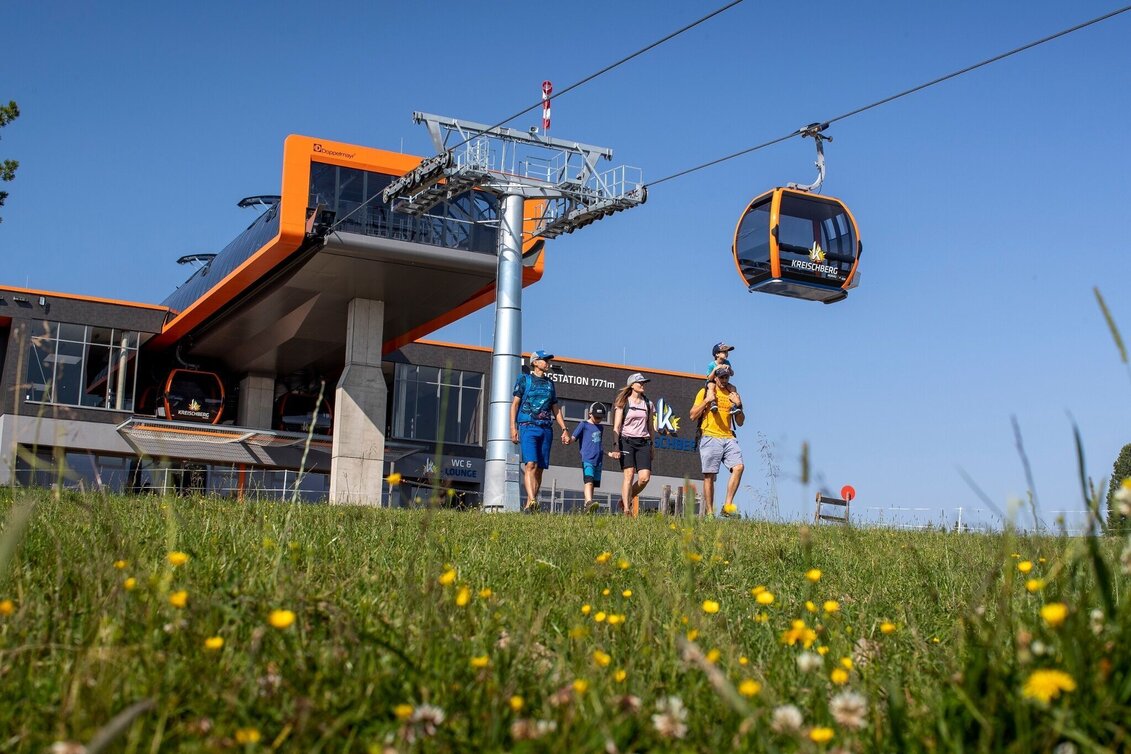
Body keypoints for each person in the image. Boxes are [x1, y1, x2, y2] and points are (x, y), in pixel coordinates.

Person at [511, 350, 571, 511]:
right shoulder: (525, 380)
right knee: (530, 463)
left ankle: (530, 504)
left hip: (546, 428)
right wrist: (513, 428)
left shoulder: (550, 383)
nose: (547, 363)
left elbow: (556, 409)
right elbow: (515, 404)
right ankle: (531, 500)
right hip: (528, 426)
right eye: (544, 360)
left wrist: (564, 429)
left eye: (548, 360)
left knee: (540, 468)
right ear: (535, 362)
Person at [688, 364, 745, 516]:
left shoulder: (732, 393)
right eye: (721, 377)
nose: (724, 380)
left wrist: (739, 404)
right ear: (716, 378)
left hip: (728, 437)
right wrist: (707, 400)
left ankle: (727, 506)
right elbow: (692, 415)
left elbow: (740, 422)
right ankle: (710, 513)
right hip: (710, 436)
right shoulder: (705, 391)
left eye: (727, 377)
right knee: (709, 475)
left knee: (739, 467)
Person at [612, 372, 655, 518]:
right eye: (640, 382)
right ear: (632, 385)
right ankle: (626, 510)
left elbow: (650, 427)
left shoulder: (648, 404)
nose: (642, 385)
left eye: (643, 382)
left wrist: (652, 446)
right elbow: (616, 427)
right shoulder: (623, 403)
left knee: (644, 478)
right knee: (629, 474)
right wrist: (616, 445)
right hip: (626, 441)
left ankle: (627, 497)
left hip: (643, 442)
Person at [571, 402, 607, 512]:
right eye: (596, 417)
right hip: (587, 458)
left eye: (600, 418)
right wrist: (568, 440)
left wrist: (608, 453)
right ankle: (589, 502)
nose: (598, 419)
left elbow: (598, 444)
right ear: (590, 414)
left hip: (598, 459)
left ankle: (588, 507)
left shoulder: (601, 428)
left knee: (593, 485)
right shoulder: (584, 425)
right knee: (589, 481)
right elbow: (573, 437)